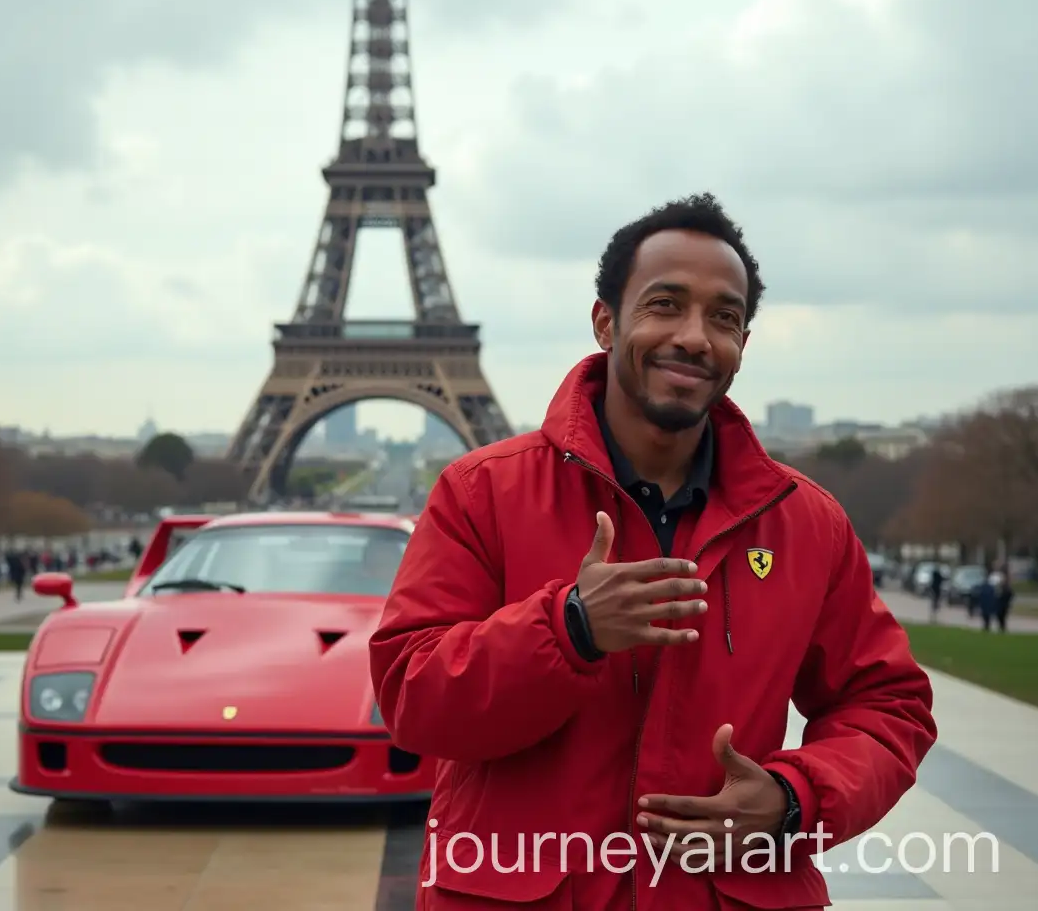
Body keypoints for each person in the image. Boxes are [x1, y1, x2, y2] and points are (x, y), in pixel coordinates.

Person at [369, 193, 938, 910]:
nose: (695, 337)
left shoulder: (807, 524)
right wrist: (567, 630)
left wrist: (794, 799)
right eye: (665, 304)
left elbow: (890, 704)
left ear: (743, 345)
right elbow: (412, 700)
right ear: (606, 321)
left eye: (724, 318)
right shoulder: (481, 492)